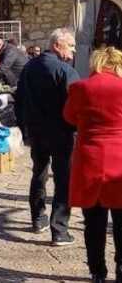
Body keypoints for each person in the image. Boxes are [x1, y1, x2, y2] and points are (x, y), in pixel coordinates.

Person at [63, 47, 122, 283]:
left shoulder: (80, 88)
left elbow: (69, 116)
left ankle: (97, 271)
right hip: (120, 158)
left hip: (90, 159)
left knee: (93, 222)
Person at [15, 28, 79, 246]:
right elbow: (76, 105)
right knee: (63, 180)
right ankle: (59, 230)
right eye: (70, 46)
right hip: (61, 133)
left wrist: (24, 129)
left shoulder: (29, 67)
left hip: (36, 131)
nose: (73, 51)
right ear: (57, 45)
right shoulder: (65, 71)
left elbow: (19, 99)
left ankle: (38, 219)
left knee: (39, 173)